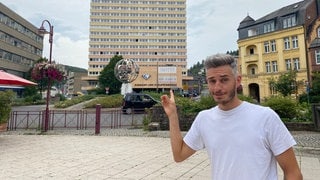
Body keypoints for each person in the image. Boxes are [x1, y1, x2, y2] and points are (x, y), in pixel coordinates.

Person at [161, 54, 303, 180]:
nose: (217, 88)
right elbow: (179, 155)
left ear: (238, 80)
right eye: (212, 81)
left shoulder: (265, 117)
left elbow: (293, 173)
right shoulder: (204, 119)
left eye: (224, 80)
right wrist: (173, 116)